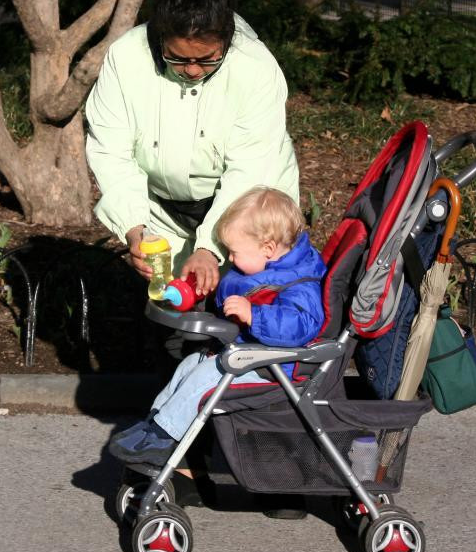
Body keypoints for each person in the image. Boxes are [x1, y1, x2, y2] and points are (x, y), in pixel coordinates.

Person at [85, 0, 299, 300]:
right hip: (164, 210)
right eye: (177, 59)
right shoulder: (125, 58)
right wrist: (134, 227)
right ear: (159, 39)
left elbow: (249, 171)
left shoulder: (256, 68)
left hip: (249, 211)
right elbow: (111, 150)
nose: (193, 70)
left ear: (226, 40)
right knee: (174, 311)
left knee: (248, 310)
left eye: (207, 60)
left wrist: (210, 249)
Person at [109, 188, 325, 514]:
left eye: (234, 251)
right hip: (247, 354)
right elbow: (238, 290)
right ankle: (156, 427)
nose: (231, 258)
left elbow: (301, 325)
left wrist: (254, 315)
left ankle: (166, 435)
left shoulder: (299, 282)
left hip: (277, 368)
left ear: (268, 248)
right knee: (190, 365)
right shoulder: (260, 266)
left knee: (207, 376)